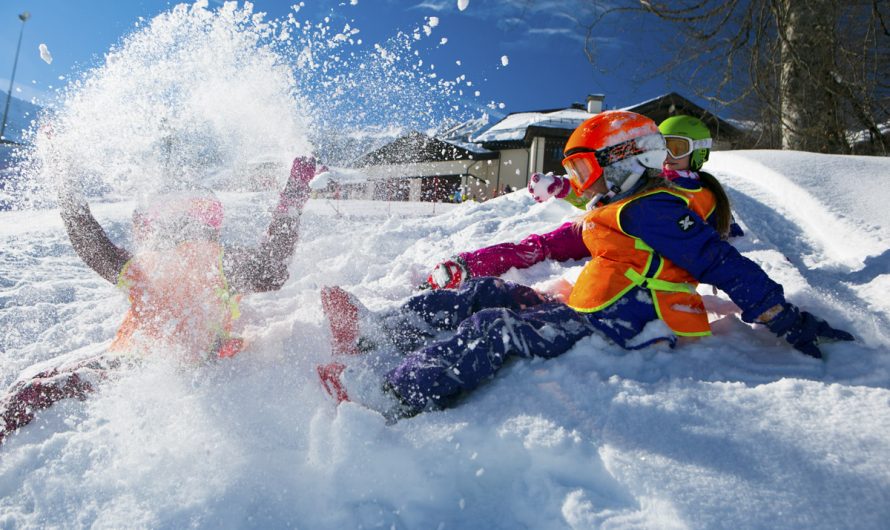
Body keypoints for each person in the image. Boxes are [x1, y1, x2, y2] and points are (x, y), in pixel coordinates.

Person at [317, 110, 853, 422]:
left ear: (623, 159)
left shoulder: (655, 207)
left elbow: (719, 260)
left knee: (493, 327)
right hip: (588, 308)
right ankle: (380, 331)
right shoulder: (619, 209)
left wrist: (780, 313)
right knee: (484, 294)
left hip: (623, 324)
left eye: (579, 166)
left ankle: (391, 393)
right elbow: (557, 239)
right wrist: (473, 262)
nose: (576, 180)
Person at [0, 156, 318, 445]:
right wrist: (292, 198)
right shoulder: (173, 263)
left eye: (199, 213)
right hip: (133, 361)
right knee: (30, 388)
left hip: (149, 368)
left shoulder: (197, 262)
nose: (189, 223)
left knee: (26, 395)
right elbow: (272, 269)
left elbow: (90, 244)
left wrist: (65, 185)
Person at [425, 114, 740, 291]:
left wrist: (722, 230)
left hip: (635, 248)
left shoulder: (701, 192)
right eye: (660, 145)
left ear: (699, 151)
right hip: (606, 223)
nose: (666, 155)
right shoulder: (643, 174)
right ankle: (468, 266)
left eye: (676, 147)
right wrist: (562, 187)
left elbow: (707, 232)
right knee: (540, 246)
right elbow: (602, 189)